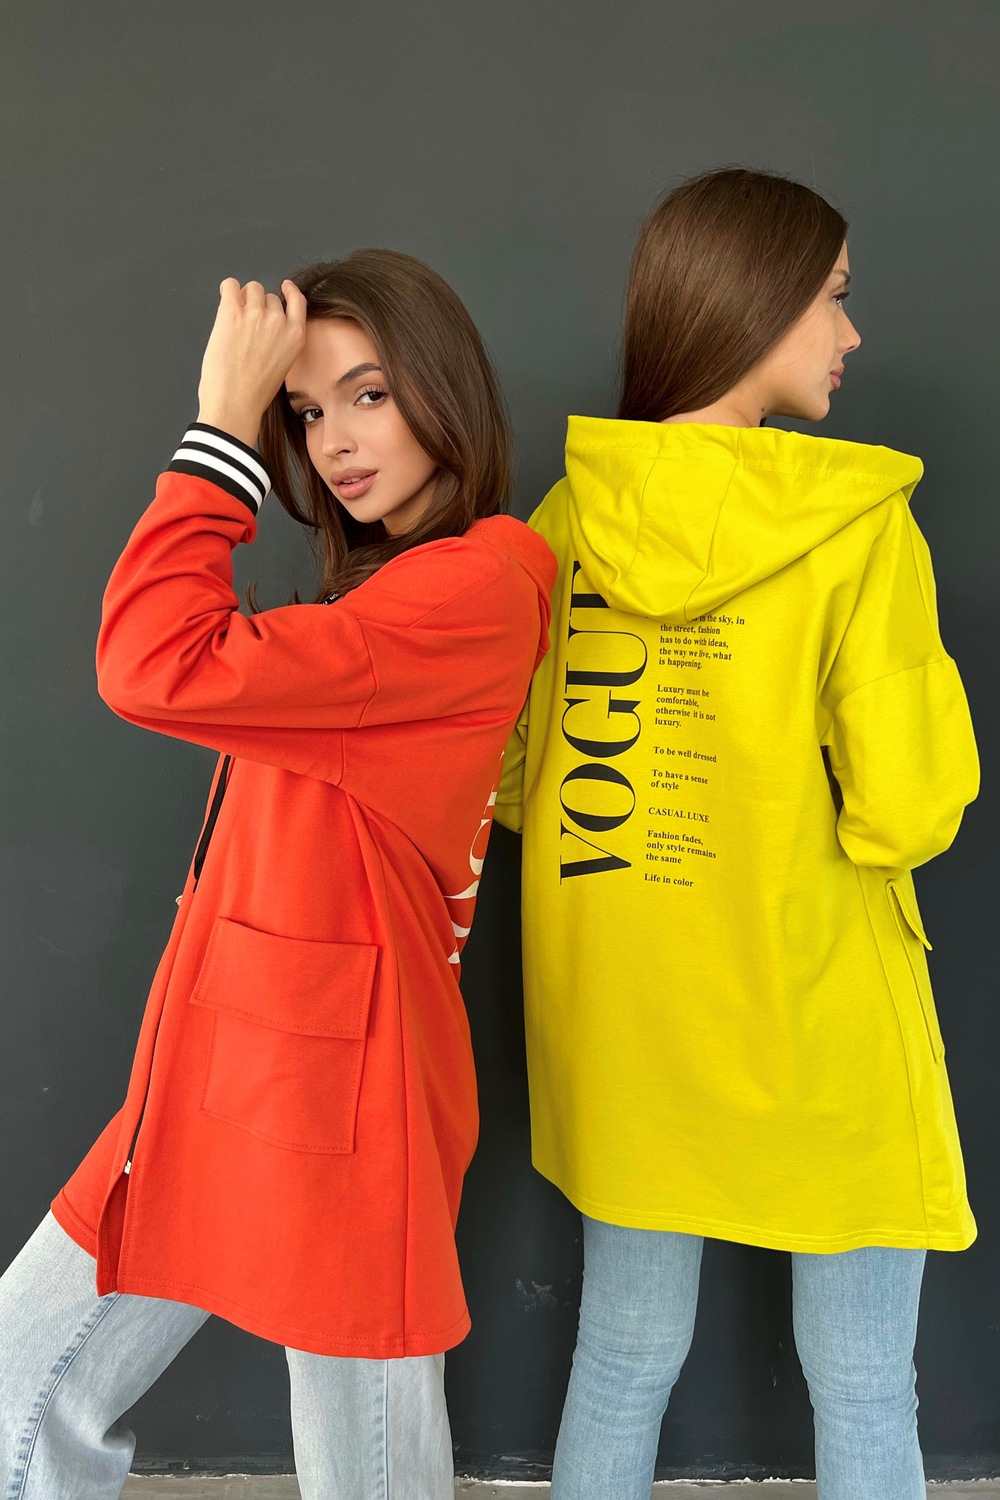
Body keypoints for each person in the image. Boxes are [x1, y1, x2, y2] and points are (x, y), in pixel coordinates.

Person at [0, 249, 555, 1499]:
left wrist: (218, 430)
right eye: (301, 411)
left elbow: (155, 663)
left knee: (366, 1462)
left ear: (445, 387)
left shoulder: (470, 587)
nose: (333, 442)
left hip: (340, 1084)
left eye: (369, 394)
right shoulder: (395, 593)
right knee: (28, 1382)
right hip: (244, 1057)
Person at [495, 168, 979, 1500]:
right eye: (833, 298)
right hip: (814, 1019)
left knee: (620, 1358)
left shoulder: (567, 521)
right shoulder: (858, 527)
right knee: (864, 1381)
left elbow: (513, 780)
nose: (850, 333)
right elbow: (907, 807)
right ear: (755, 303)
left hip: (628, 1028)